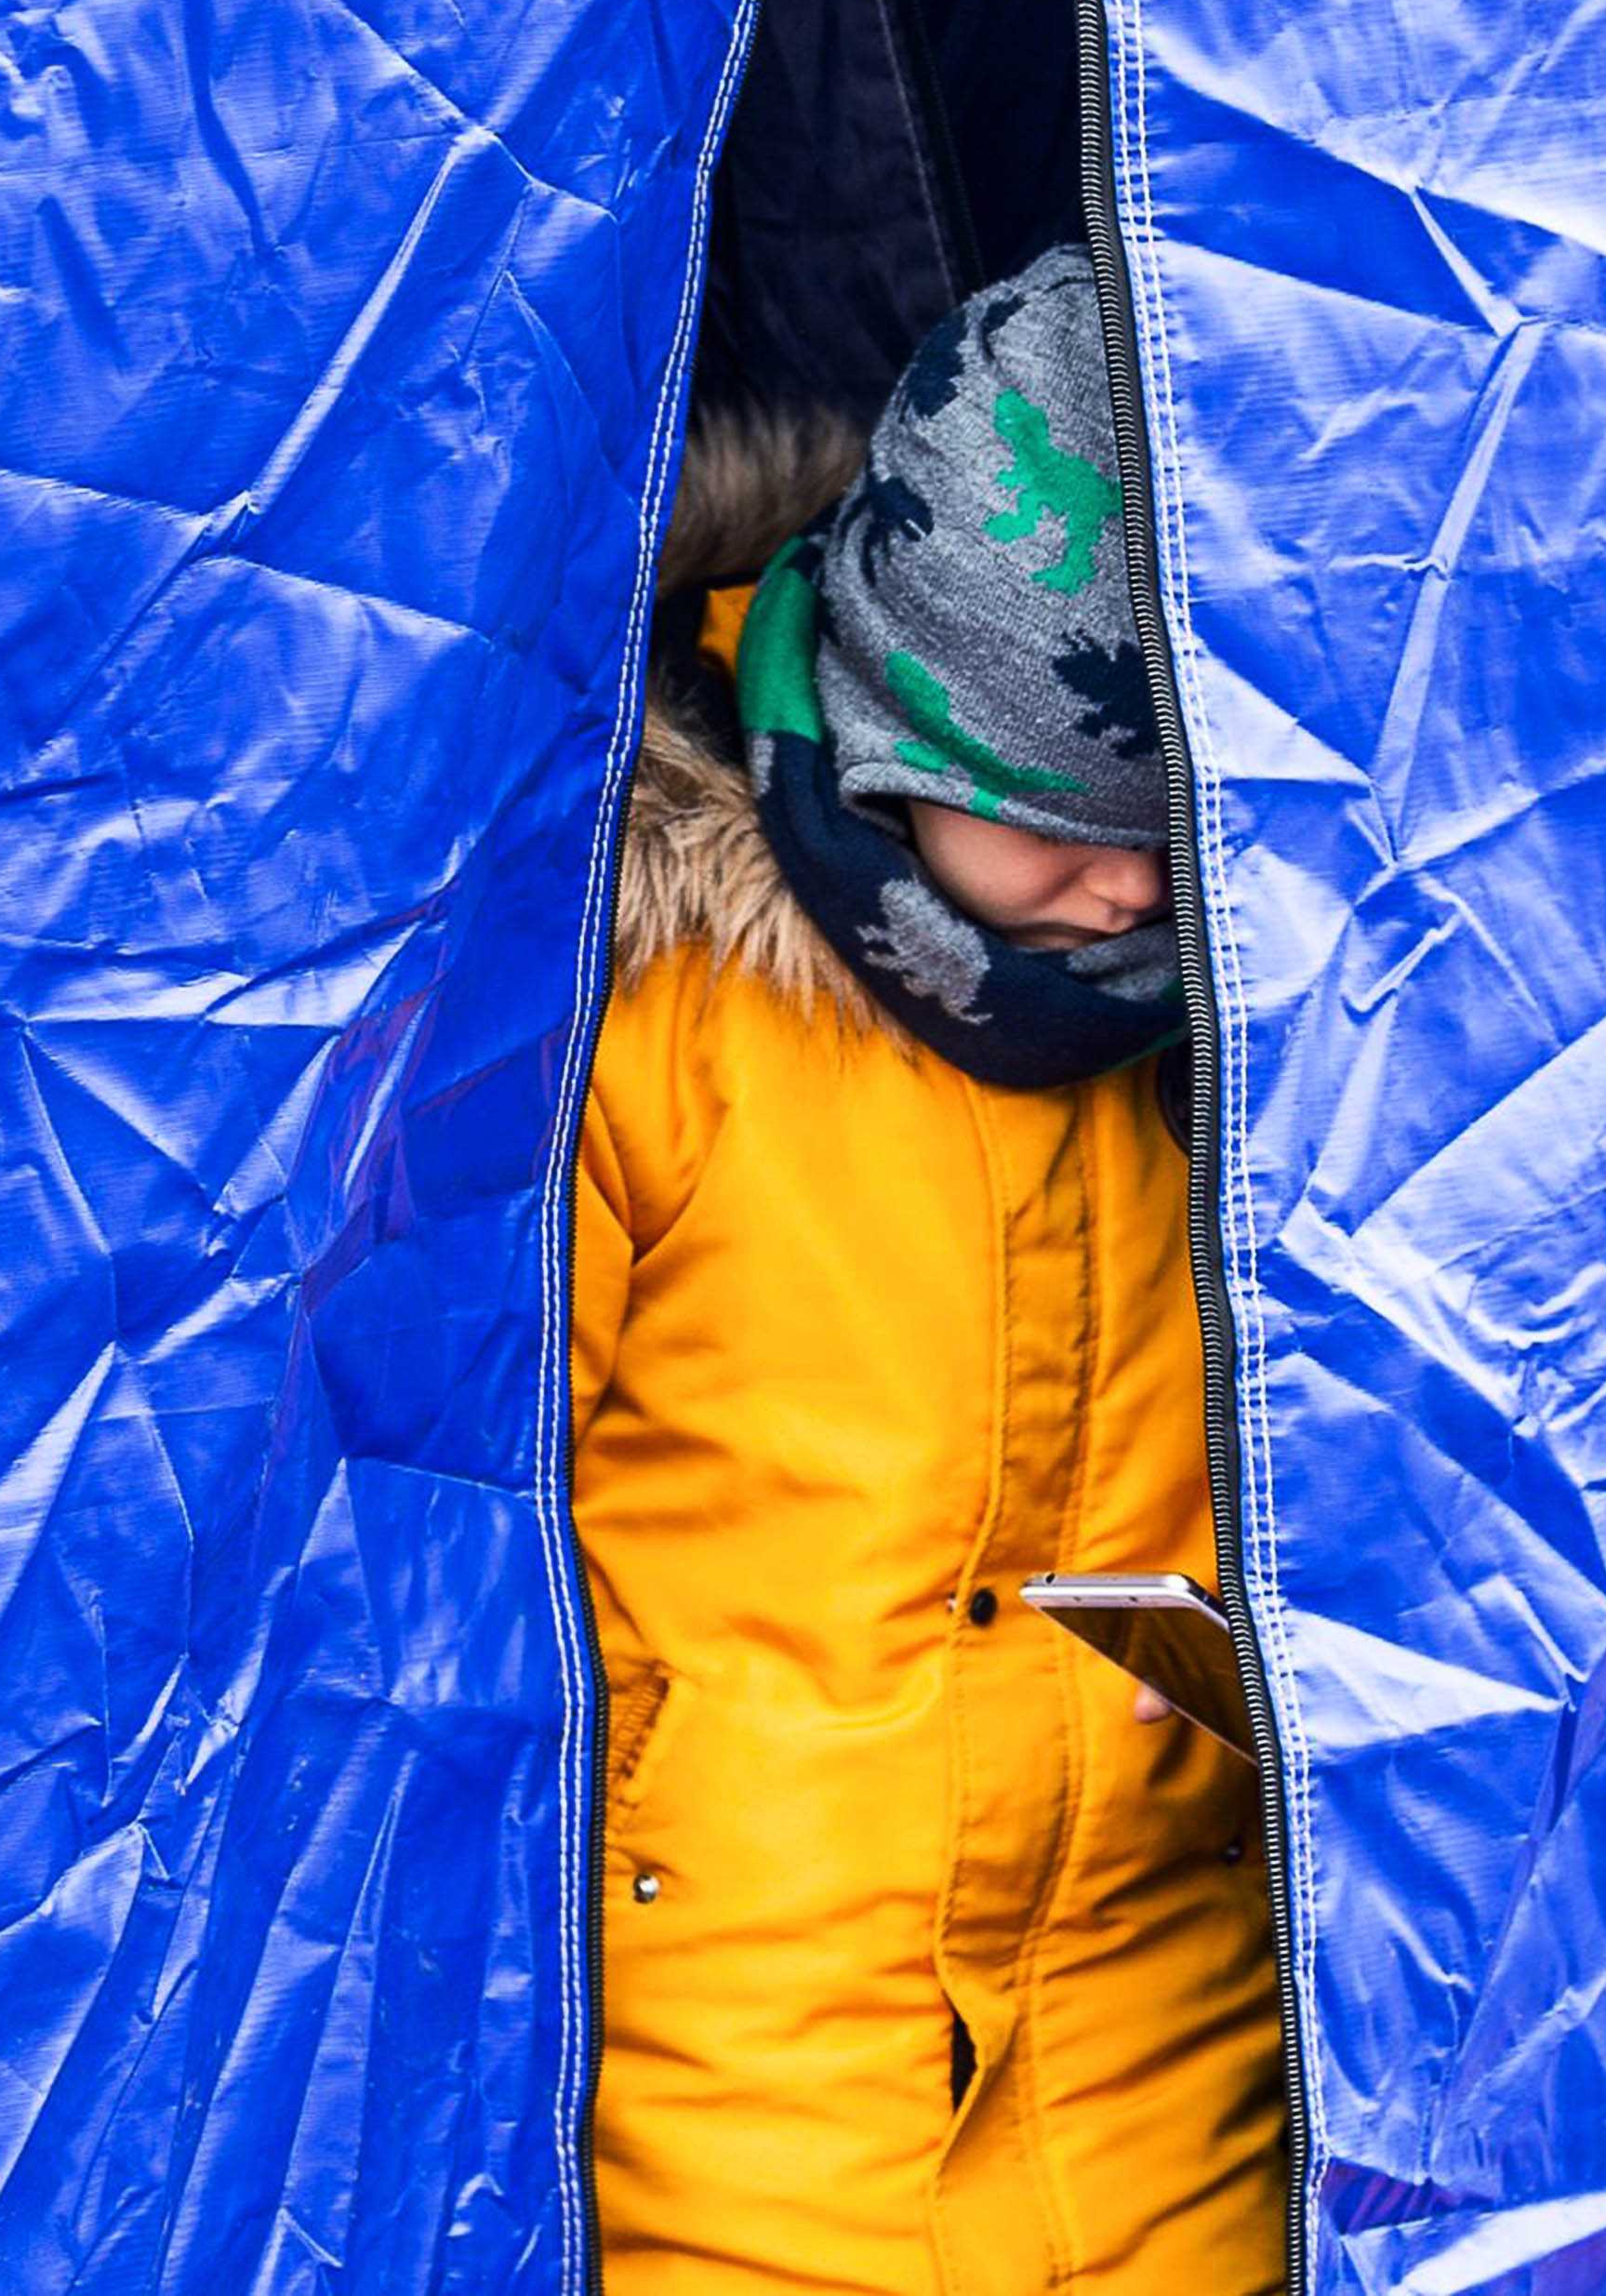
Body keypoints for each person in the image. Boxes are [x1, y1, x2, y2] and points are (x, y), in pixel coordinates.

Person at [570, 246, 1285, 2295]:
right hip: (736, 2137)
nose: (1129, 888)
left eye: (1173, 826)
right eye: (1063, 815)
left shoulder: (1259, 1037)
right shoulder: (643, 1009)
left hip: (1177, 2132)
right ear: (903, 729)